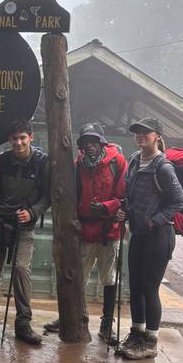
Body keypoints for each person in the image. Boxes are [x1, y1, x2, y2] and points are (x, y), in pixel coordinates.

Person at [44, 123, 128, 344]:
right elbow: (71, 196)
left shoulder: (117, 162)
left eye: (93, 142)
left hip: (109, 231)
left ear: (101, 142)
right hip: (85, 230)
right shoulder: (78, 165)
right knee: (77, 277)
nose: (90, 146)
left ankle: (106, 326)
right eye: (85, 142)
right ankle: (69, 319)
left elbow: (124, 196)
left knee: (109, 279)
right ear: (81, 146)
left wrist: (107, 207)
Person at [0, 118, 51, 345]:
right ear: (9, 140)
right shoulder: (2, 160)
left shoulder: (42, 163)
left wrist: (33, 213)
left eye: (23, 137)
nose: (18, 142)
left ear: (31, 138)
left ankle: (23, 322)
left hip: (24, 226)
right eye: (14, 138)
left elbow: (47, 197)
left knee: (20, 269)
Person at [116, 117, 183, 360]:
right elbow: (129, 193)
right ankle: (136, 333)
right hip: (139, 234)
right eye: (137, 132)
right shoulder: (135, 160)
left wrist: (154, 219)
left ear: (157, 135)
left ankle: (151, 341)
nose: (140, 136)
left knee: (149, 287)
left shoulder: (163, 167)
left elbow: (178, 200)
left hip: (159, 235)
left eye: (146, 132)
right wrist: (125, 210)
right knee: (134, 284)